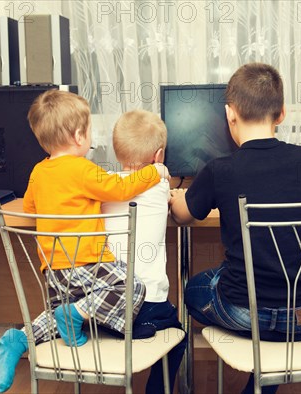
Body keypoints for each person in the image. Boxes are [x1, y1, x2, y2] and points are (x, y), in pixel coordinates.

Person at [169, 63, 301, 394]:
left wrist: (177, 196)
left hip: (245, 315)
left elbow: (184, 216)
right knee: (253, 282)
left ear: (230, 114)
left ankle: (259, 366)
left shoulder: (220, 170)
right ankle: (266, 378)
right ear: (282, 113)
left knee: (195, 288)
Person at [0, 90, 169, 393]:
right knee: (131, 285)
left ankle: (19, 338)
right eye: (89, 131)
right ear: (78, 136)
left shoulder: (38, 172)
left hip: (53, 273)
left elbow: (30, 209)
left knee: (57, 316)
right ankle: (75, 314)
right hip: (87, 266)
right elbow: (119, 189)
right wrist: (155, 172)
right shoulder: (82, 169)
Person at [102, 109, 187, 394]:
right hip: (147, 306)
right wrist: (169, 183)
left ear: (117, 154)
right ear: (159, 154)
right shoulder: (161, 184)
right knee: (178, 336)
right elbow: (171, 196)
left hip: (104, 307)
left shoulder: (104, 187)